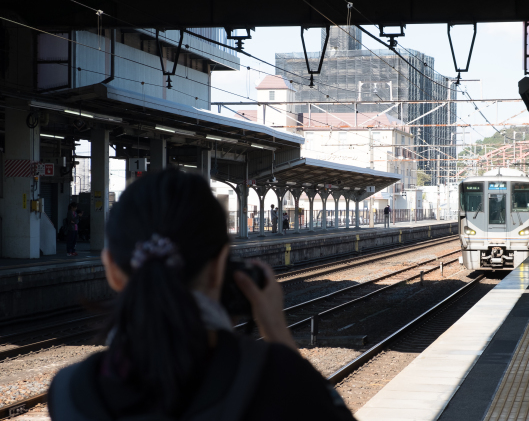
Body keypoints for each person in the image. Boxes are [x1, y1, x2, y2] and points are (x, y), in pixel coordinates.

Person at [48, 169, 356, 420]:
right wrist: (277, 333)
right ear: (219, 265)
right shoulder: (275, 378)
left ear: (112, 268)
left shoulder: (68, 393)